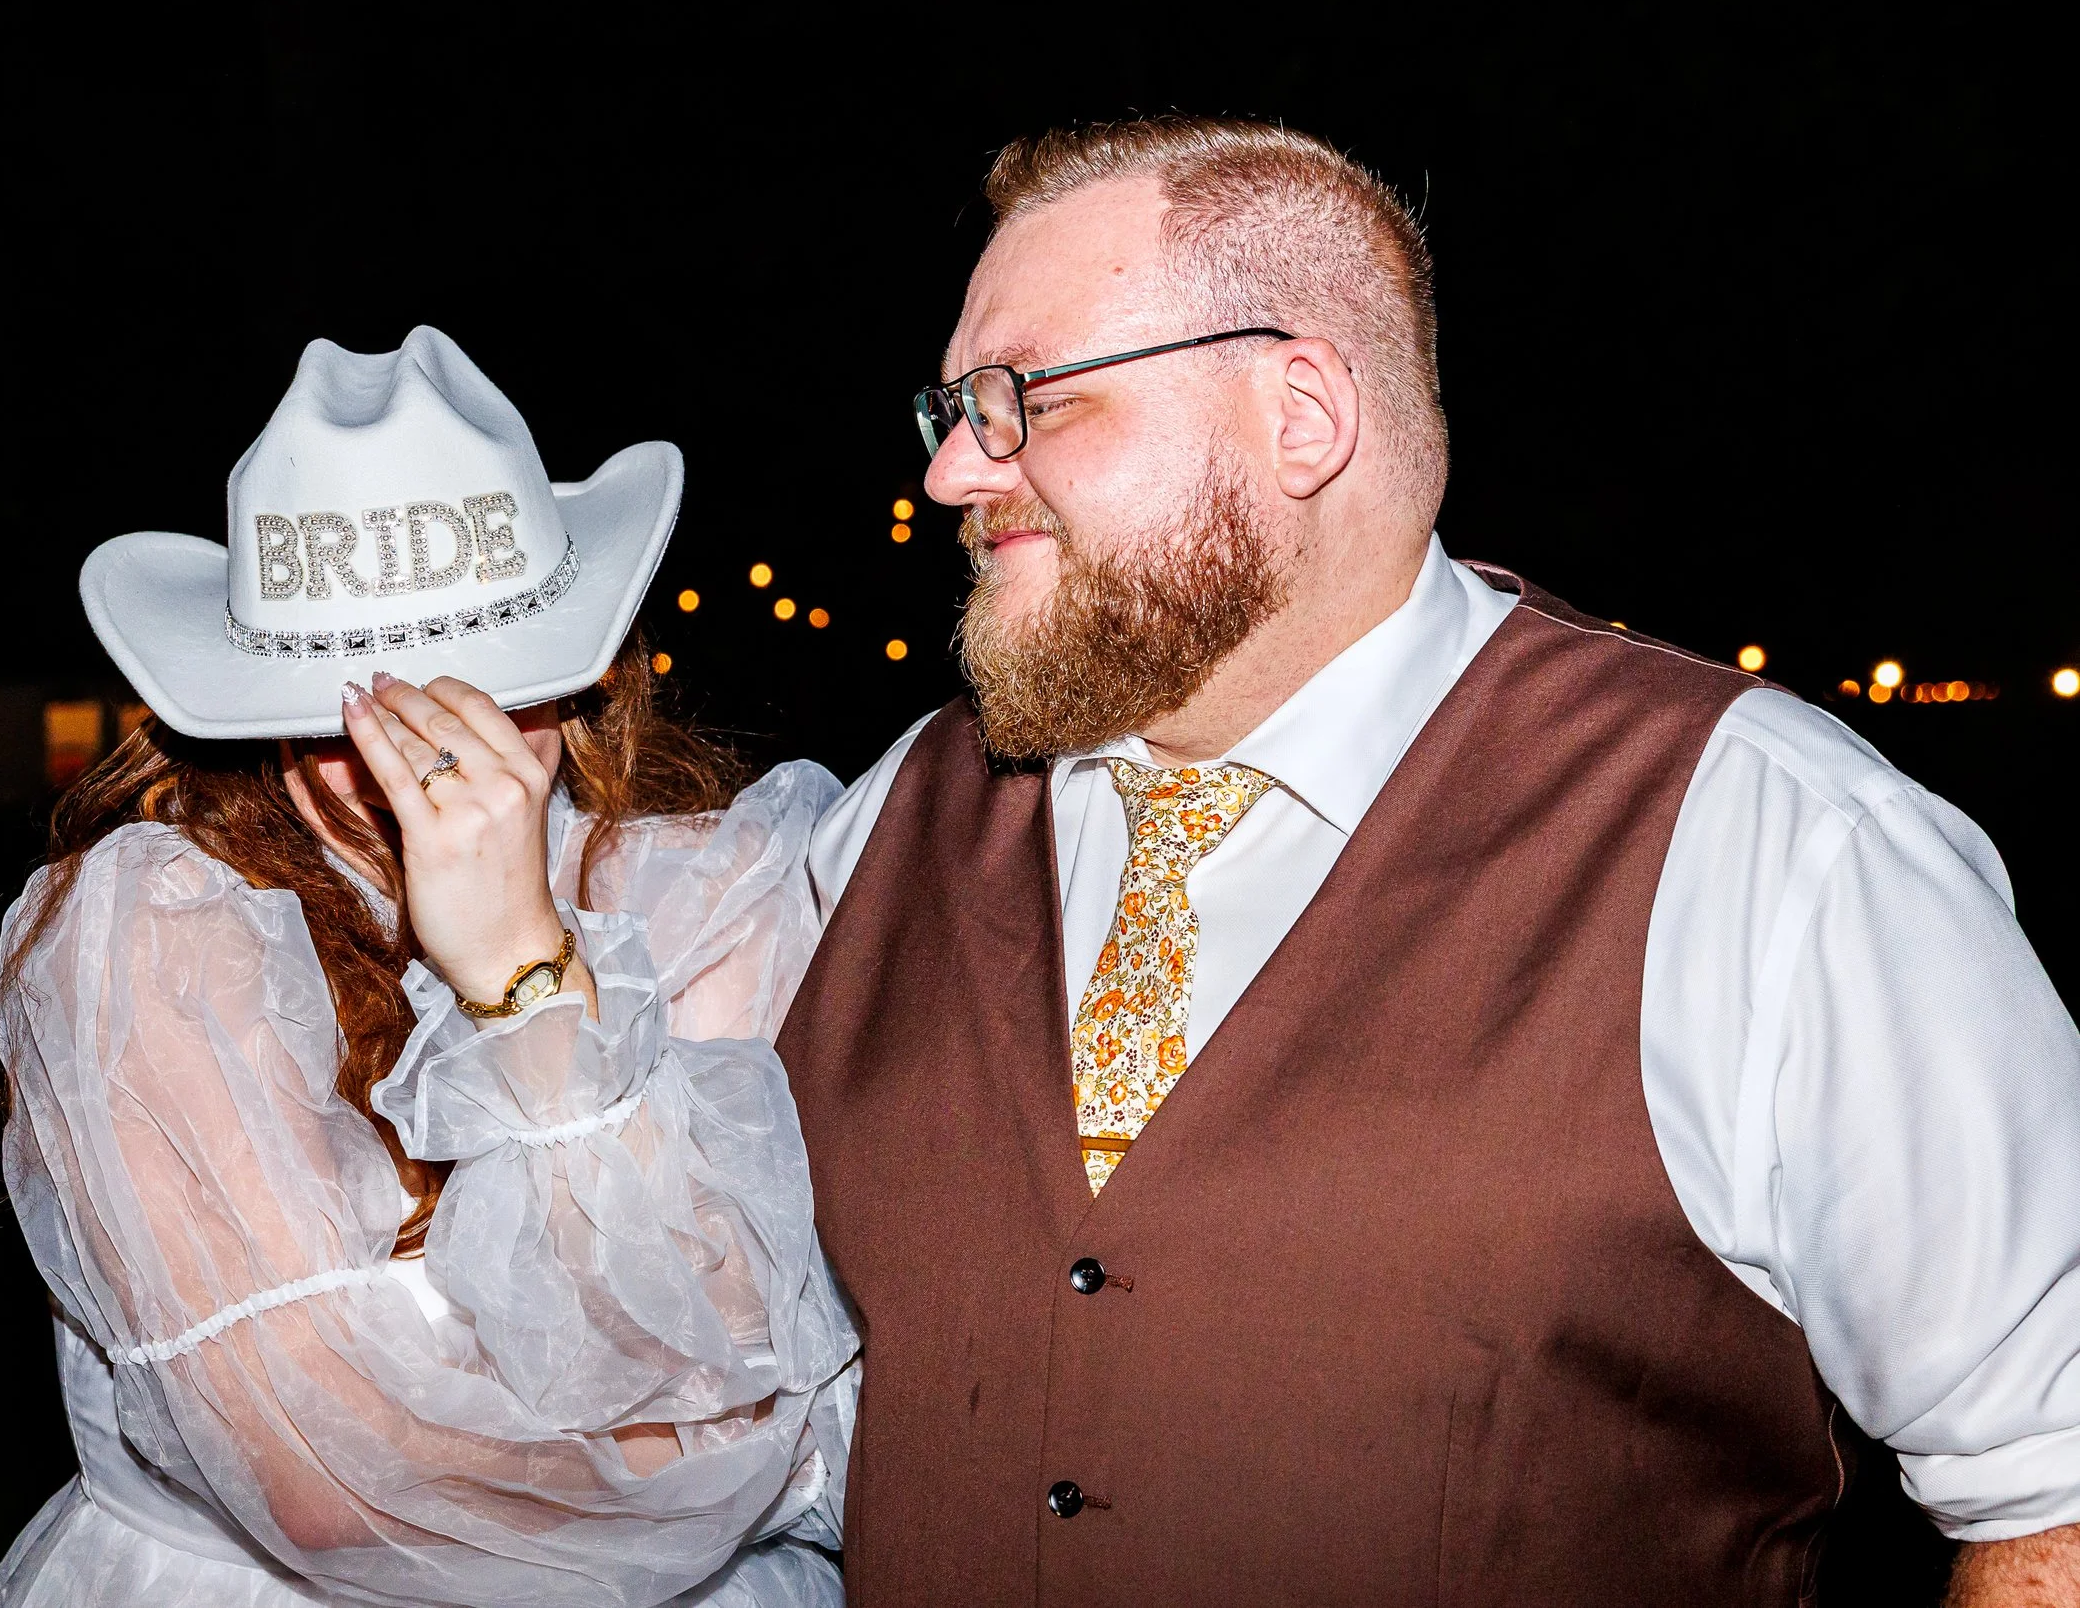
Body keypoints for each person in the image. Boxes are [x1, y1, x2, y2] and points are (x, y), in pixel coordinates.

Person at [786, 117, 2080, 1603]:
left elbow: (2055, 1488)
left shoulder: (1768, 841)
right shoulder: (885, 822)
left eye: (1027, 400)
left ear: (1302, 412)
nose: (956, 469)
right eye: (954, 407)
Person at [0, 328, 857, 1607]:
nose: (410, 765)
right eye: (352, 709)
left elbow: (769, 1339)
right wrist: (741, 1465)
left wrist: (523, 964)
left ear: (577, 680)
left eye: (478, 698)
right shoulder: (154, 936)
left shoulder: (713, 892)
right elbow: (334, 1486)